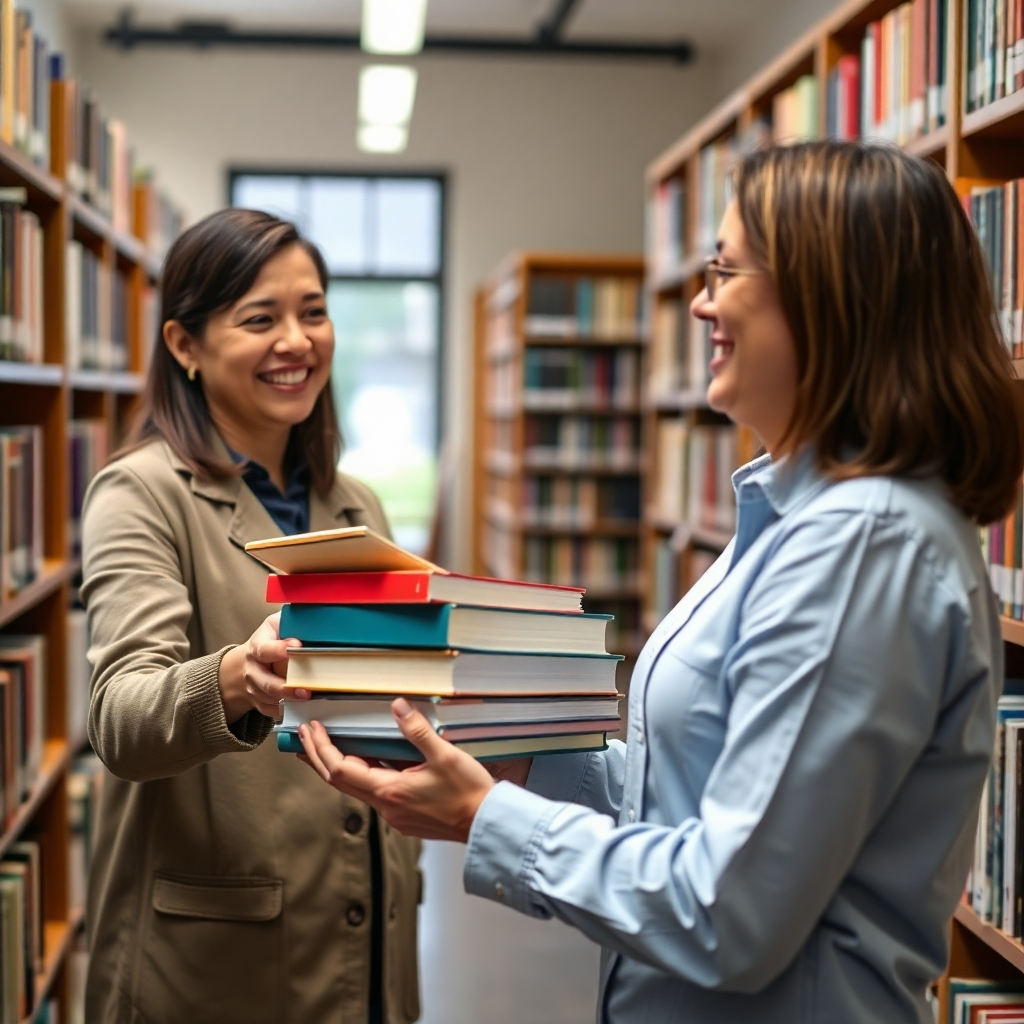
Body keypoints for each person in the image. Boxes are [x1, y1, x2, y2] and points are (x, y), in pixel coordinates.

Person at [296, 141, 1023, 1024]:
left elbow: (728, 912)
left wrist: (488, 818)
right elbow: (698, 793)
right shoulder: (793, 519)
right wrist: (505, 757)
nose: (701, 299)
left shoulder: (863, 549)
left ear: (830, 296)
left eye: (727, 268)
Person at [81, 208, 422, 1024]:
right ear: (185, 346)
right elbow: (120, 718)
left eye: (313, 311)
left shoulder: (357, 504)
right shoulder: (141, 494)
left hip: (365, 945)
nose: (297, 342)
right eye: (259, 319)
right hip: (214, 968)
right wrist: (239, 677)